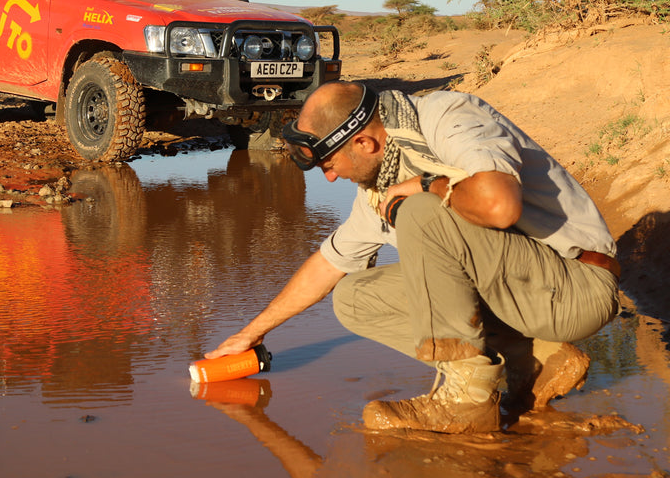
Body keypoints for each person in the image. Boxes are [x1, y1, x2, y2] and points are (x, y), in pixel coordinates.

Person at [206, 81, 621, 434]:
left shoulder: (446, 117)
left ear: (364, 142)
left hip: (576, 285)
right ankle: (532, 358)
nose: (331, 178)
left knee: (420, 212)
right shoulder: (380, 185)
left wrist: (430, 186)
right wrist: (251, 333)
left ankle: (468, 401)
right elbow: (328, 265)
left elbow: (500, 207)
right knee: (353, 297)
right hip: (525, 295)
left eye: (330, 165)